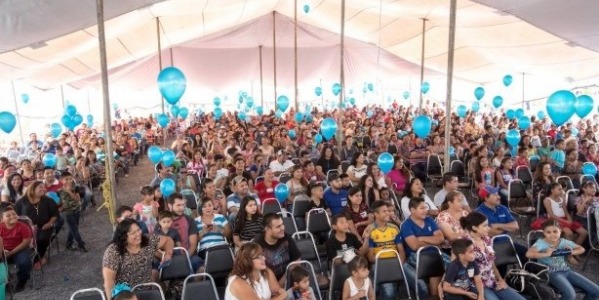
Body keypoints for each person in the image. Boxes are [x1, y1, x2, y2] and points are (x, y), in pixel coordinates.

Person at [526, 219, 599, 300]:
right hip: (551, 273)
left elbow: (581, 249)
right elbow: (528, 254)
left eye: (555, 231)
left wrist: (571, 252)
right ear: (544, 233)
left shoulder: (563, 242)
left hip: (566, 270)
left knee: (596, 291)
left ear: (560, 231)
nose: (552, 235)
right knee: (570, 296)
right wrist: (547, 254)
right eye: (548, 232)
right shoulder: (541, 243)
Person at [366, 200, 426, 299]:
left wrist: (400, 263)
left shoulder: (394, 228)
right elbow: (371, 257)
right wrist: (387, 264)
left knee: (421, 284)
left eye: (388, 211)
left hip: (397, 261)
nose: (388, 213)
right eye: (384, 211)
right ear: (376, 214)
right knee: (390, 292)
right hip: (380, 263)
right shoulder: (370, 230)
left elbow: (401, 251)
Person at [460, 212, 526, 300]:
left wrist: (500, 279)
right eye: (485, 226)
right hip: (474, 284)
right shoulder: (464, 244)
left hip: (491, 280)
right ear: (474, 227)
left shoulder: (487, 240)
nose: (488, 228)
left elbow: (491, 263)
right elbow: (461, 269)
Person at [102, 218, 174, 299]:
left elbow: (168, 240)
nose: (138, 234)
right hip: (126, 295)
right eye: (133, 233)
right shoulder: (113, 251)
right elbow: (109, 281)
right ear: (124, 237)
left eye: (138, 230)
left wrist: (168, 254)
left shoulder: (147, 240)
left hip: (147, 290)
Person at [400, 197, 444, 298]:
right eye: (422, 208)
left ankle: (436, 295)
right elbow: (414, 246)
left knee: (452, 264)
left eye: (426, 207)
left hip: (434, 254)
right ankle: (434, 296)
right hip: (416, 256)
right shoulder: (406, 225)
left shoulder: (429, 220)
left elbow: (440, 238)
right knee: (435, 263)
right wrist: (434, 243)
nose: (426, 210)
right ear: (412, 210)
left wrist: (420, 238)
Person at [15, 180, 59, 268]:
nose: (43, 189)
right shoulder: (22, 201)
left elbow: (55, 214)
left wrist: (50, 223)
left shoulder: (48, 200)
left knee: (42, 239)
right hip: (26, 228)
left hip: (44, 226)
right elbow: (16, 216)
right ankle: (25, 258)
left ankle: (38, 257)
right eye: (40, 187)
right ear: (32, 189)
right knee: (18, 240)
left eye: (44, 187)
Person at [254, 213, 301, 286]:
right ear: (267, 229)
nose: (282, 228)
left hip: (287, 278)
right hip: (266, 282)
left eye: (282, 224)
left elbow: (297, 260)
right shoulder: (257, 244)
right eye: (278, 226)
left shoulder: (287, 238)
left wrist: (282, 281)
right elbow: (255, 270)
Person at [166, 193, 202, 272]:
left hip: (188, 255)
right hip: (168, 257)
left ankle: (193, 284)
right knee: (154, 273)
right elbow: (156, 246)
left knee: (201, 268)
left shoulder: (189, 220)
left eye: (183, 205)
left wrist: (185, 259)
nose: (181, 208)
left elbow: (193, 244)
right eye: (178, 205)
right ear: (170, 206)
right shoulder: (162, 222)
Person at [0, 205, 32, 292]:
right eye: (8, 215)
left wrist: (11, 253)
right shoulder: (1, 227)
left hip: (20, 248)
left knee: (25, 262)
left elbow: (26, 242)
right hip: (4, 249)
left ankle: (21, 282)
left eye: (14, 214)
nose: (12, 216)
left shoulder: (22, 226)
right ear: (2, 220)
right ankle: (6, 281)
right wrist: (3, 251)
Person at [59, 171, 87, 252]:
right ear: (61, 180)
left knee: (74, 228)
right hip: (67, 212)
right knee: (74, 229)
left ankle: (69, 243)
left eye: (70, 179)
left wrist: (69, 191)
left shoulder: (75, 187)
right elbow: (58, 201)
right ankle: (80, 244)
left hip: (77, 210)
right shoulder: (60, 190)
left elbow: (77, 199)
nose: (69, 181)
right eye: (66, 179)